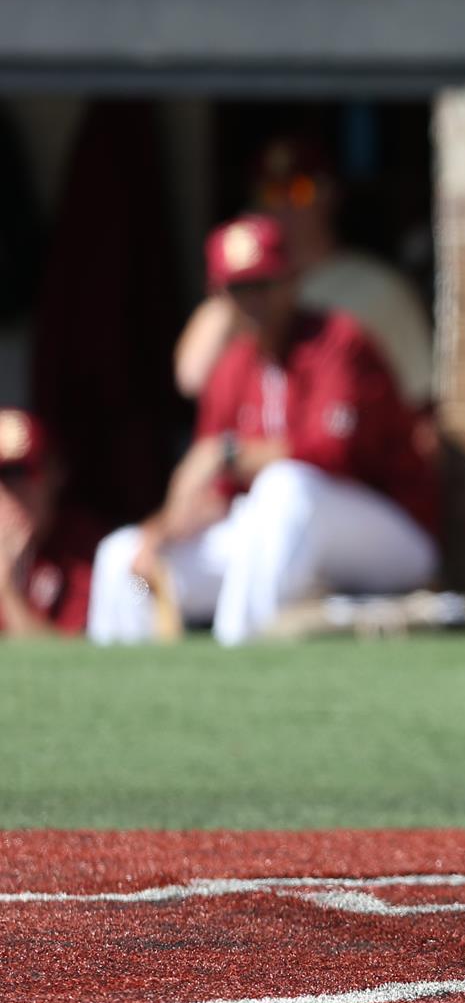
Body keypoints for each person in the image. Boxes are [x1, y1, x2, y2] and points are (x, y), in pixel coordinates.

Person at [88, 216, 440, 646]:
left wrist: (230, 454)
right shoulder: (234, 365)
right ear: (219, 297)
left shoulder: (337, 341)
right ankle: (126, 685)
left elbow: (332, 454)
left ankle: (239, 654)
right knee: (121, 556)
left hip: (387, 537)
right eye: (238, 289)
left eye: (263, 285)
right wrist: (161, 530)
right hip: (273, 541)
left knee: (283, 488)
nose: (252, 301)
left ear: (291, 281)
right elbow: (215, 490)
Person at [174, 138, 435, 408]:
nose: (284, 205)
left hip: (339, 440)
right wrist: (237, 269)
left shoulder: (378, 286)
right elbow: (192, 378)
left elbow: (420, 399)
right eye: (271, 192)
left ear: (330, 194)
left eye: (300, 191)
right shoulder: (238, 293)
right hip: (259, 440)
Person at [0, 408, 110, 637]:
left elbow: (71, 662)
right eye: (3, 479)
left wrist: (8, 591)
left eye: (22, 476)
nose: (12, 494)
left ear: (55, 474)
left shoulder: (84, 550)